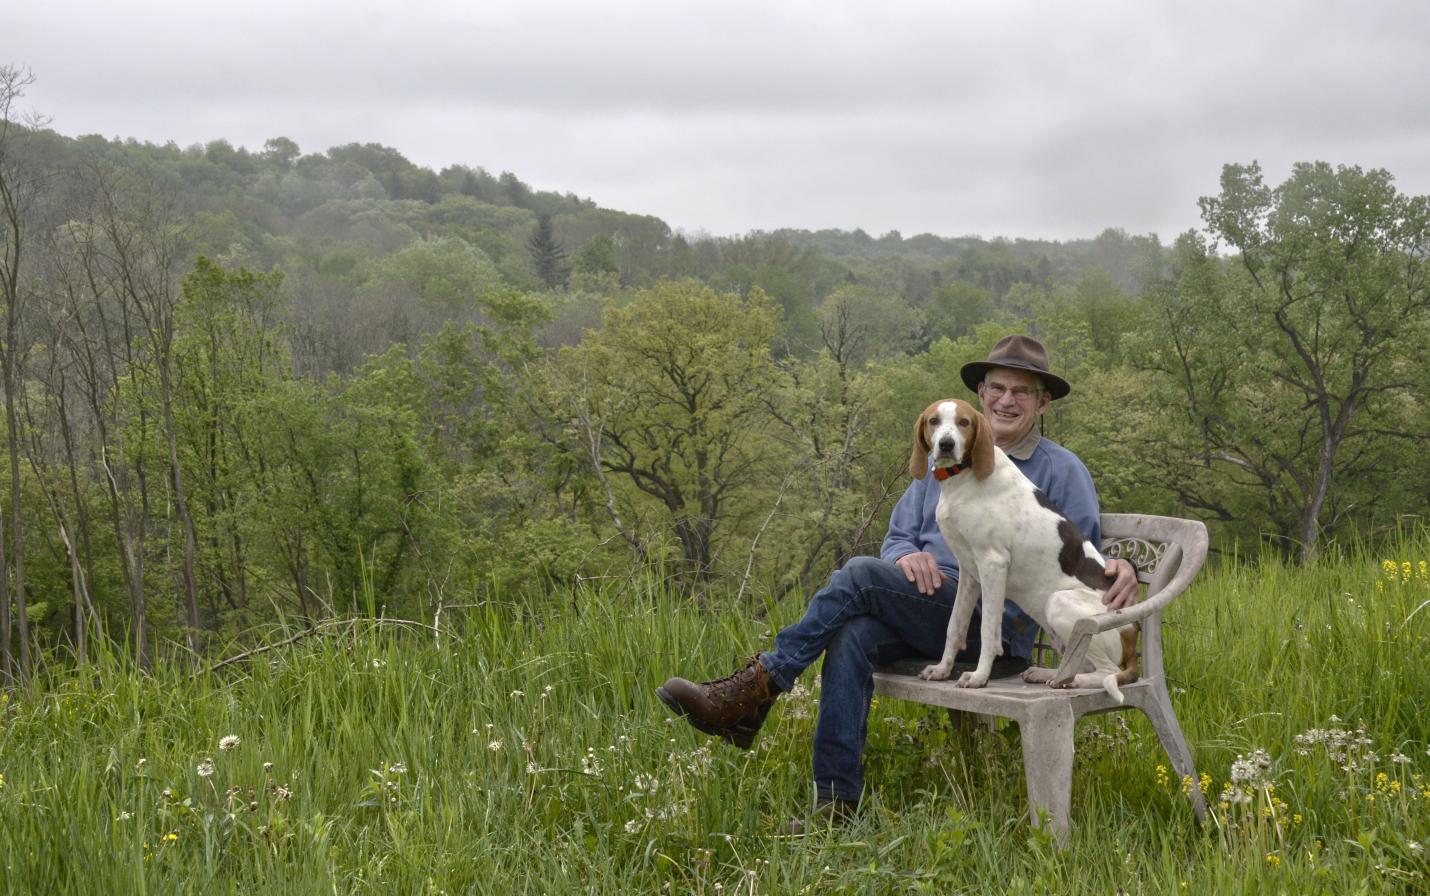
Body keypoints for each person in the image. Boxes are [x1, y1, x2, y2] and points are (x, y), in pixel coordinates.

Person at [656, 334, 1139, 827]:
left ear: (1043, 402)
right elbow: (897, 538)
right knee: (851, 634)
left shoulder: (1060, 468)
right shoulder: (942, 458)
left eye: (1022, 392)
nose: (1006, 401)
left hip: (992, 632)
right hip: (919, 605)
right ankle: (835, 805)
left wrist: (1129, 570)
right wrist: (908, 557)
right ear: (981, 395)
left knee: (861, 575)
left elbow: (1083, 554)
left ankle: (759, 688)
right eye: (997, 388)